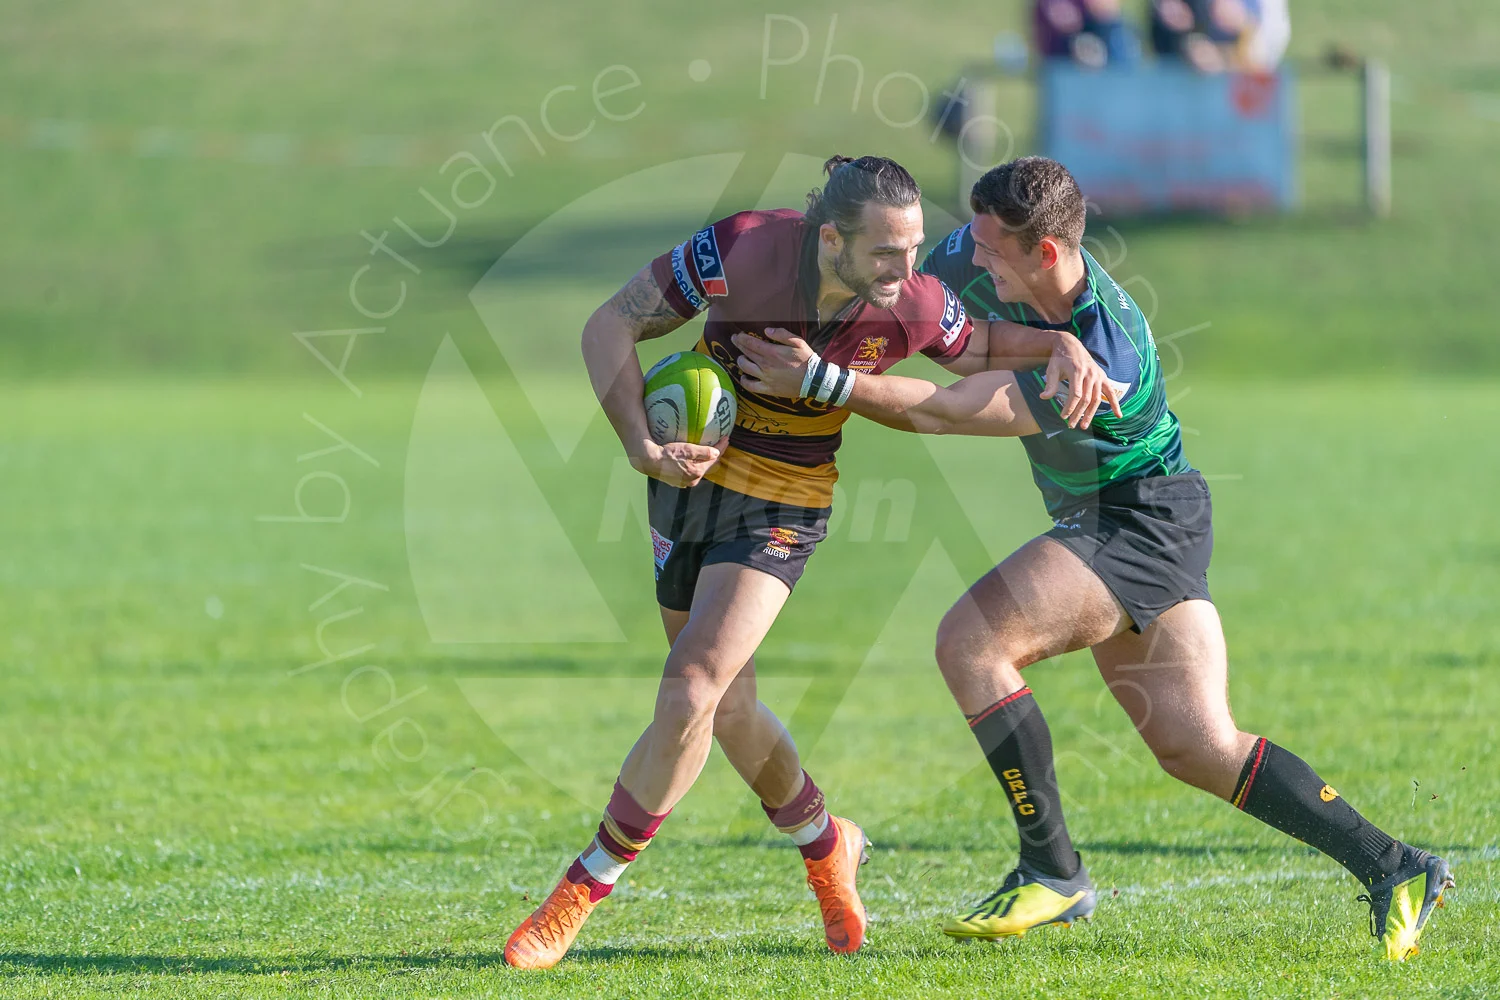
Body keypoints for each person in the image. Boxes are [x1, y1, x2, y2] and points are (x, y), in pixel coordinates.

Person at [731, 156, 1454, 963]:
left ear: (1044, 252)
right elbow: (893, 300)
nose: (970, 255)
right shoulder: (972, 263)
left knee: (972, 643)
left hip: (1140, 518)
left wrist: (827, 382)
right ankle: (1398, 867)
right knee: (1197, 745)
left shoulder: (1108, 349)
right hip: (1129, 518)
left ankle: (1052, 869)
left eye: (991, 245)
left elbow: (954, 411)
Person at [502, 155, 1114, 969]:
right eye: (886, 254)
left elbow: (980, 349)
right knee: (727, 706)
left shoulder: (915, 302)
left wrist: (1059, 348)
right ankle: (829, 844)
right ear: (832, 239)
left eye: (917, 248)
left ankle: (582, 888)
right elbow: (609, 324)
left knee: (692, 685)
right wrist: (643, 448)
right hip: (688, 483)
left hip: (786, 503)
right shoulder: (743, 252)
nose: (908, 271)